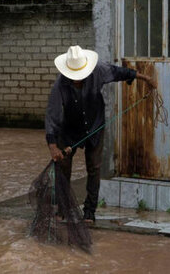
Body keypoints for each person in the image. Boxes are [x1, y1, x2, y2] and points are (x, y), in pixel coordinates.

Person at [45, 45, 156, 224]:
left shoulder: (98, 70)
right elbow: (52, 114)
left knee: (94, 168)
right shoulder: (60, 84)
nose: (77, 79)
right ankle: (63, 209)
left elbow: (119, 72)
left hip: (94, 126)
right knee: (62, 168)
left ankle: (89, 211)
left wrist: (145, 78)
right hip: (69, 130)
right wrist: (52, 145)